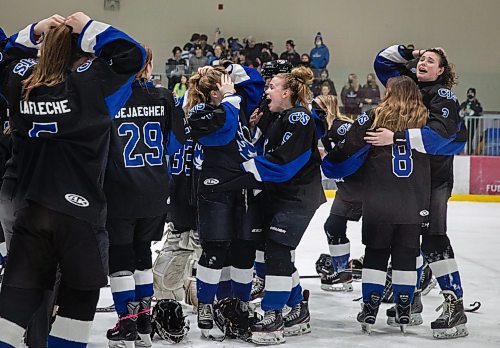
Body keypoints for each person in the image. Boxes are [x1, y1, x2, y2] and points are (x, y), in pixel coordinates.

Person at [0, 12, 145, 347]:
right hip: (80, 213)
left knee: (13, 310)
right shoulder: (90, 83)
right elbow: (132, 54)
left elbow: (4, 56)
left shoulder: (20, 82)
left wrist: (33, 31)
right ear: (81, 52)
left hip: (32, 211)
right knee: (74, 311)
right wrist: (88, 26)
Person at [369, 44, 468, 339]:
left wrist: (396, 136)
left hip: (434, 179)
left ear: (441, 71)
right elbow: (382, 63)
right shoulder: (409, 85)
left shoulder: (442, 95)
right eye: (422, 60)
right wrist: (408, 51)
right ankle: (411, 300)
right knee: (408, 238)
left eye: (431, 61)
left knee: (434, 238)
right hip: (412, 180)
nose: (424, 63)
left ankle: (455, 304)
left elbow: (440, 137)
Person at [324, 76, 431, 334]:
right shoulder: (426, 119)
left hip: (379, 199)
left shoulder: (374, 115)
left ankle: (370, 306)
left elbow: (350, 143)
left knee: (376, 253)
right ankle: (404, 307)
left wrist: (330, 156)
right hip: (413, 199)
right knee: (407, 254)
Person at [241, 66, 326, 344]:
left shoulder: (299, 117)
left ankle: (273, 314)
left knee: (277, 250)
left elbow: (286, 164)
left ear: (287, 92)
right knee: (268, 252)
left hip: (297, 197)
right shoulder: (276, 117)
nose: (267, 91)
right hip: (278, 196)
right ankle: (298, 308)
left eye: (272, 87)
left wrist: (243, 167)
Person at [103, 45, 180, 347]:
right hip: (155, 190)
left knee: (120, 256)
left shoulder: (108, 97)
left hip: (120, 189)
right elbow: (174, 146)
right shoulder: (164, 97)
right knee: (142, 254)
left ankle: (126, 325)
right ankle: (145, 324)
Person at [185, 64, 264, 336]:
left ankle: (239, 304)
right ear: (215, 92)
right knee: (215, 251)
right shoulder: (200, 112)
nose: (234, 87)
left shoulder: (235, 105)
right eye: (226, 83)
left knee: (243, 251)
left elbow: (255, 82)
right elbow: (226, 128)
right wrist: (231, 99)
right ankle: (206, 305)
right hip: (215, 188)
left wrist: (229, 67)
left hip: (243, 187)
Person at [313, 95, 358, 292]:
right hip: (346, 188)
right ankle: (342, 272)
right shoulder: (323, 130)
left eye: (316, 107)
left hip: (361, 186)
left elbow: (356, 146)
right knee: (333, 225)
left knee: (379, 233)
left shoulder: (340, 126)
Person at [459, 88, 483, 154]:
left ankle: (470, 151)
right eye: (468, 93)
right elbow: (459, 112)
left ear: (474, 94)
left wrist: (471, 112)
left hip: (472, 124)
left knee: (471, 137)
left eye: (471, 93)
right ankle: (461, 151)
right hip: (464, 124)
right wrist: (462, 112)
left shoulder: (477, 104)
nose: (470, 94)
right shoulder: (464, 103)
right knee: (462, 137)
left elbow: (479, 112)